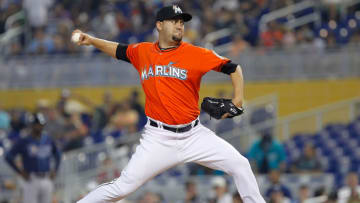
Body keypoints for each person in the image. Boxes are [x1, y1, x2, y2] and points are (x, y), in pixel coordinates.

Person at [74, 5, 265, 203]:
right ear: (159, 25)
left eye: (182, 22)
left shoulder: (196, 54)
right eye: (174, 21)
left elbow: (234, 68)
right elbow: (118, 50)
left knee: (240, 165)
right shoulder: (142, 52)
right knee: (123, 187)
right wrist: (92, 41)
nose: (180, 26)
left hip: (194, 135)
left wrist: (237, 100)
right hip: (158, 138)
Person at [4, 112, 61, 203]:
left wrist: (55, 170)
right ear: (32, 125)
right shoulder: (25, 141)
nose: (40, 126)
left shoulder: (48, 139)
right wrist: (20, 172)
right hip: (31, 178)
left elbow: (58, 155)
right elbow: (8, 157)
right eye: (37, 124)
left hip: (46, 177)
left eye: (42, 124)